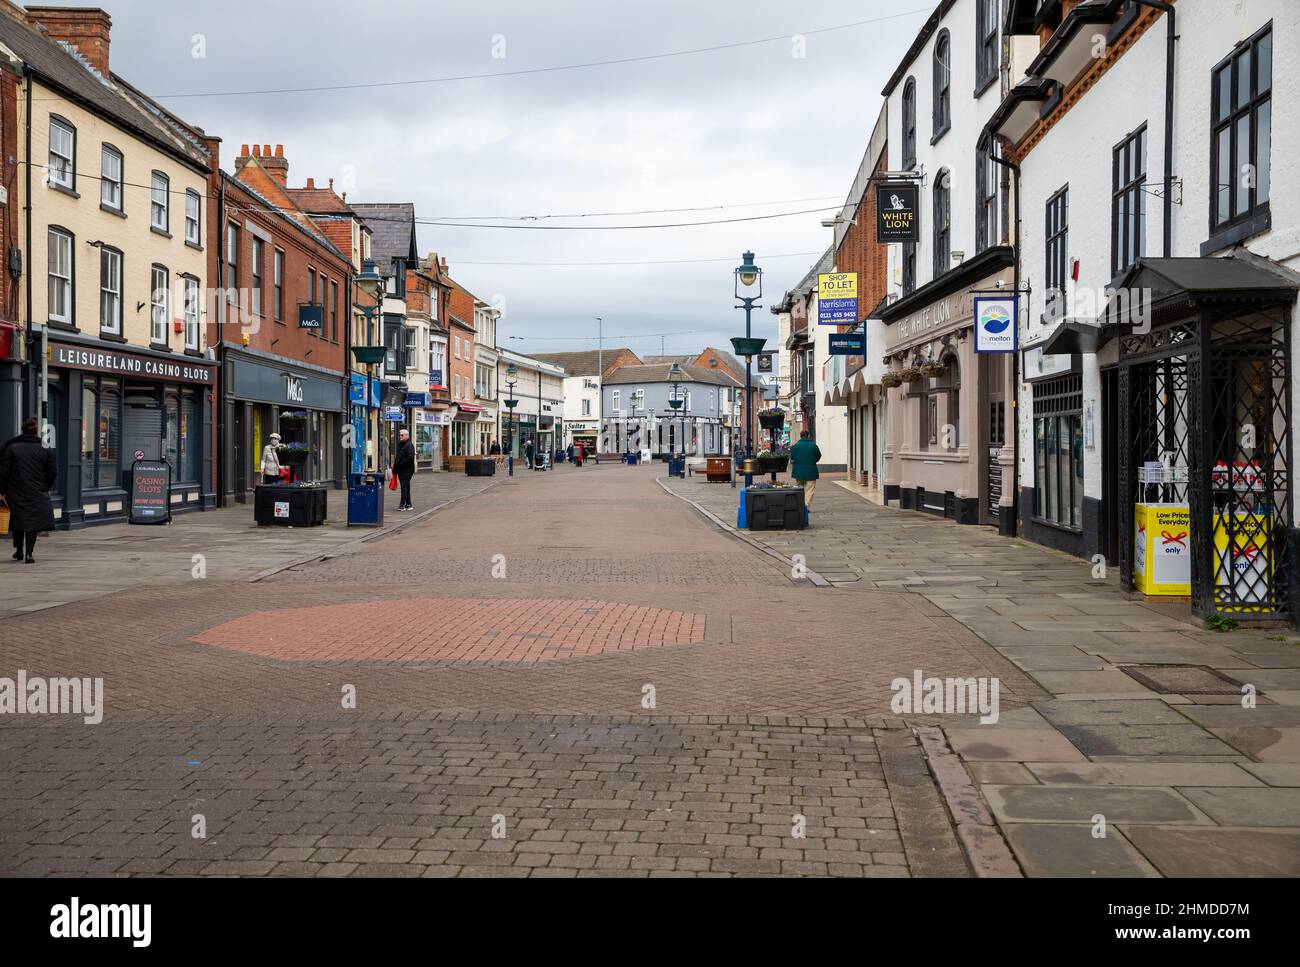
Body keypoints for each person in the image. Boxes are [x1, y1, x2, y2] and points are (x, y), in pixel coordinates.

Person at [0, 417, 56, 563]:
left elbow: (4, 472)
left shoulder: (12, 447)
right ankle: (29, 554)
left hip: (15, 490)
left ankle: (18, 551)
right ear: (36, 431)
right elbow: (52, 471)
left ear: (22, 430)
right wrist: (46, 487)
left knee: (18, 521)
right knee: (32, 523)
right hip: (36, 491)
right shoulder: (44, 448)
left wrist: (2, 490)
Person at [790, 429, 822, 513]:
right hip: (811, 471)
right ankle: (806, 506)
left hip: (799, 471)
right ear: (808, 435)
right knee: (810, 489)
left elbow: (792, 457)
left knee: (799, 489)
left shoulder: (795, 446)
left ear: (800, 436)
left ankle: (799, 505)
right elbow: (818, 455)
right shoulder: (813, 445)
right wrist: (813, 461)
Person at [392, 428, 416, 510]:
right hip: (402, 470)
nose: (400, 436)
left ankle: (402, 505)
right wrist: (395, 468)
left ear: (407, 435)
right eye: (400, 435)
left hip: (406, 470)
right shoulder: (402, 444)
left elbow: (410, 457)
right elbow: (398, 457)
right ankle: (408, 504)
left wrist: (400, 464)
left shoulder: (409, 445)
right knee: (406, 486)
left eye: (402, 435)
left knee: (404, 487)